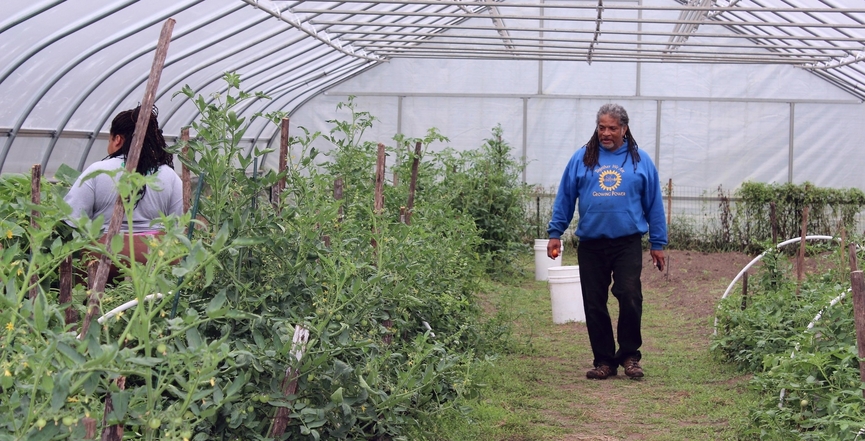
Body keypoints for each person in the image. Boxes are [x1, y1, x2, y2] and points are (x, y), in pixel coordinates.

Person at [546, 103, 667, 380]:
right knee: (594, 302)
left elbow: (654, 204)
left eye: (612, 128)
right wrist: (556, 233)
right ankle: (604, 361)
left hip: (627, 242)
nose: (606, 133)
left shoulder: (640, 161)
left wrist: (657, 243)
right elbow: (566, 197)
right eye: (602, 127)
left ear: (624, 128)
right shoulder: (582, 158)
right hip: (591, 243)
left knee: (629, 294)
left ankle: (629, 356)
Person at [64, 105, 183, 278]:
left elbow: (71, 219)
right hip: (154, 257)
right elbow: (179, 225)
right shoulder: (169, 175)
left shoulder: (98, 170)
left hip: (106, 256)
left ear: (118, 139)